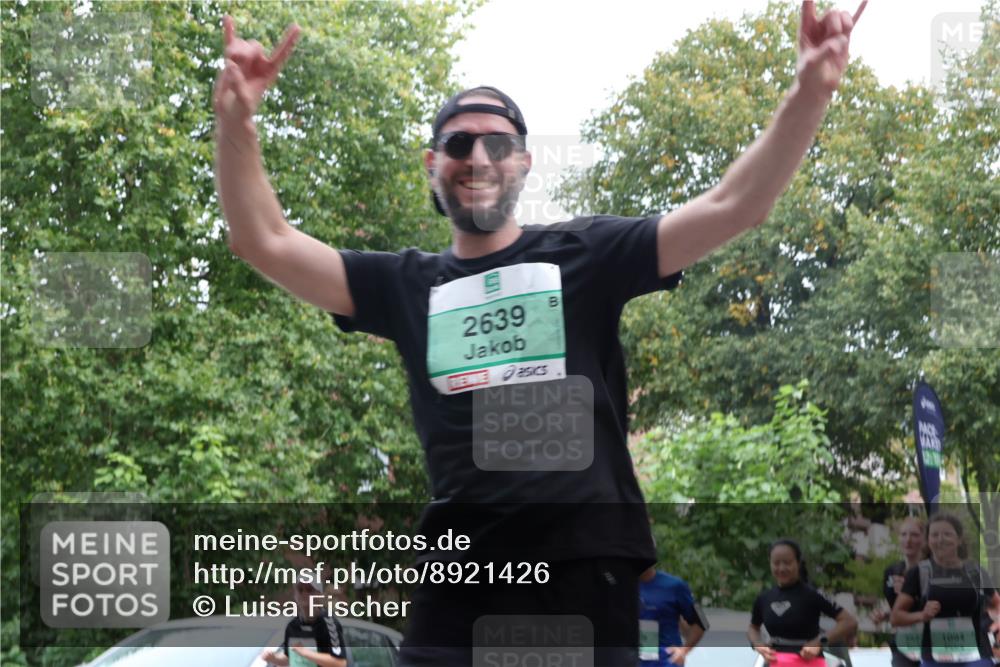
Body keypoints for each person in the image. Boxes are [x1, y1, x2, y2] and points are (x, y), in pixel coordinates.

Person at [213, 2, 867, 664]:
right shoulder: (405, 285)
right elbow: (261, 239)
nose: (478, 156)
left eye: (498, 143)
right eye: (459, 143)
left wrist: (810, 87)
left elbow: (736, 205)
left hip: (581, 575)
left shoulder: (585, 253)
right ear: (431, 163)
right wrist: (236, 119)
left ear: (524, 164)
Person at [890, 513, 1000, 667]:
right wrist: (922, 615)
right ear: (928, 541)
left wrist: (996, 623)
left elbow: (997, 605)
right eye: (934, 535)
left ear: (959, 539)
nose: (940, 540)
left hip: (977, 657)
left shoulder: (975, 572)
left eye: (947, 534)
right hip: (935, 659)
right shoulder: (919, 573)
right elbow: (896, 617)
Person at [747, 539, 858, 666]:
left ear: (798, 563)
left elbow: (849, 622)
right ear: (770, 564)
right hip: (776, 662)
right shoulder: (764, 598)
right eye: (776, 563)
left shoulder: (813, 595)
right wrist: (758, 644)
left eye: (787, 563)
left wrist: (819, 642)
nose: (782, 568)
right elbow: (753, 628)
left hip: (809, 661)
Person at [871, 516, 927, 667]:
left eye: (914, 535)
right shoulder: (891, 572)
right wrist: (885, 614)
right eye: (904, 534)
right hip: (903, 645)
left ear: (924, 539)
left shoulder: (933, 571)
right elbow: (897, 609)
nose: (908, 540)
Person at [260, 580, 348, 667]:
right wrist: (274, 658)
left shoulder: (329, 624)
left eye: (309, 590)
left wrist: (305, 652)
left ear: (319, 595)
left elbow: (339, 663)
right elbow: (289, 658)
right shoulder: (292, 626)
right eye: (300, 590)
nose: (304, 594)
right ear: (295, 595)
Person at [638, 565, 707, 667]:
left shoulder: (675, 585)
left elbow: (702, 621)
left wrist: (684, 650)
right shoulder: (617, 585)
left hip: (664, 661)